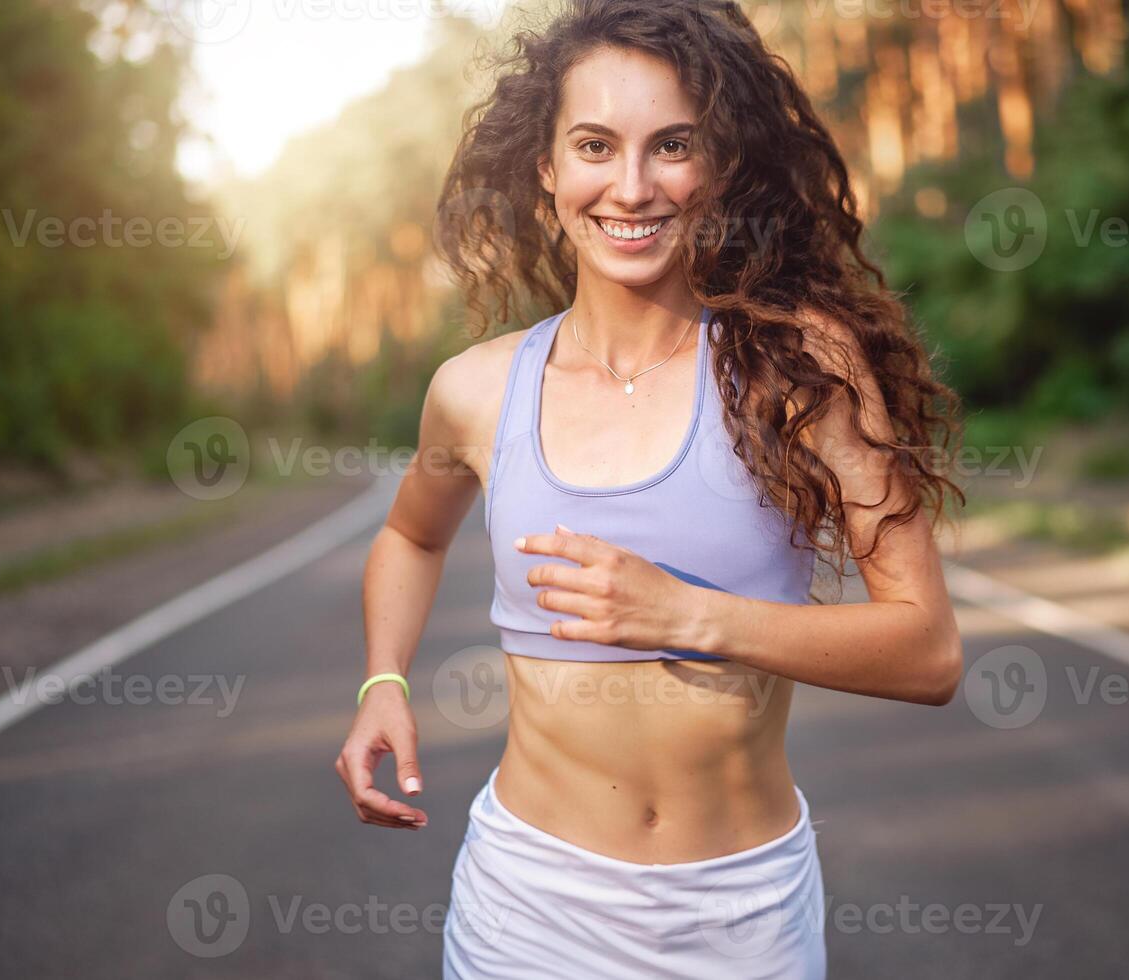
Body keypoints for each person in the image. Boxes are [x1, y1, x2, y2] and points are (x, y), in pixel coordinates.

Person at [333, 1, 966, 975]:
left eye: (671, 146)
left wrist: (686, 613)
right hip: (527, 910)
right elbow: (411, 538)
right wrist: (383, 678)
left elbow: (926, 651)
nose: (630, 187)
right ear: (547, 169)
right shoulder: (475, 389)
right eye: (594, 145)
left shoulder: (798, 365)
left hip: (744, 912)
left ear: (719, 166)